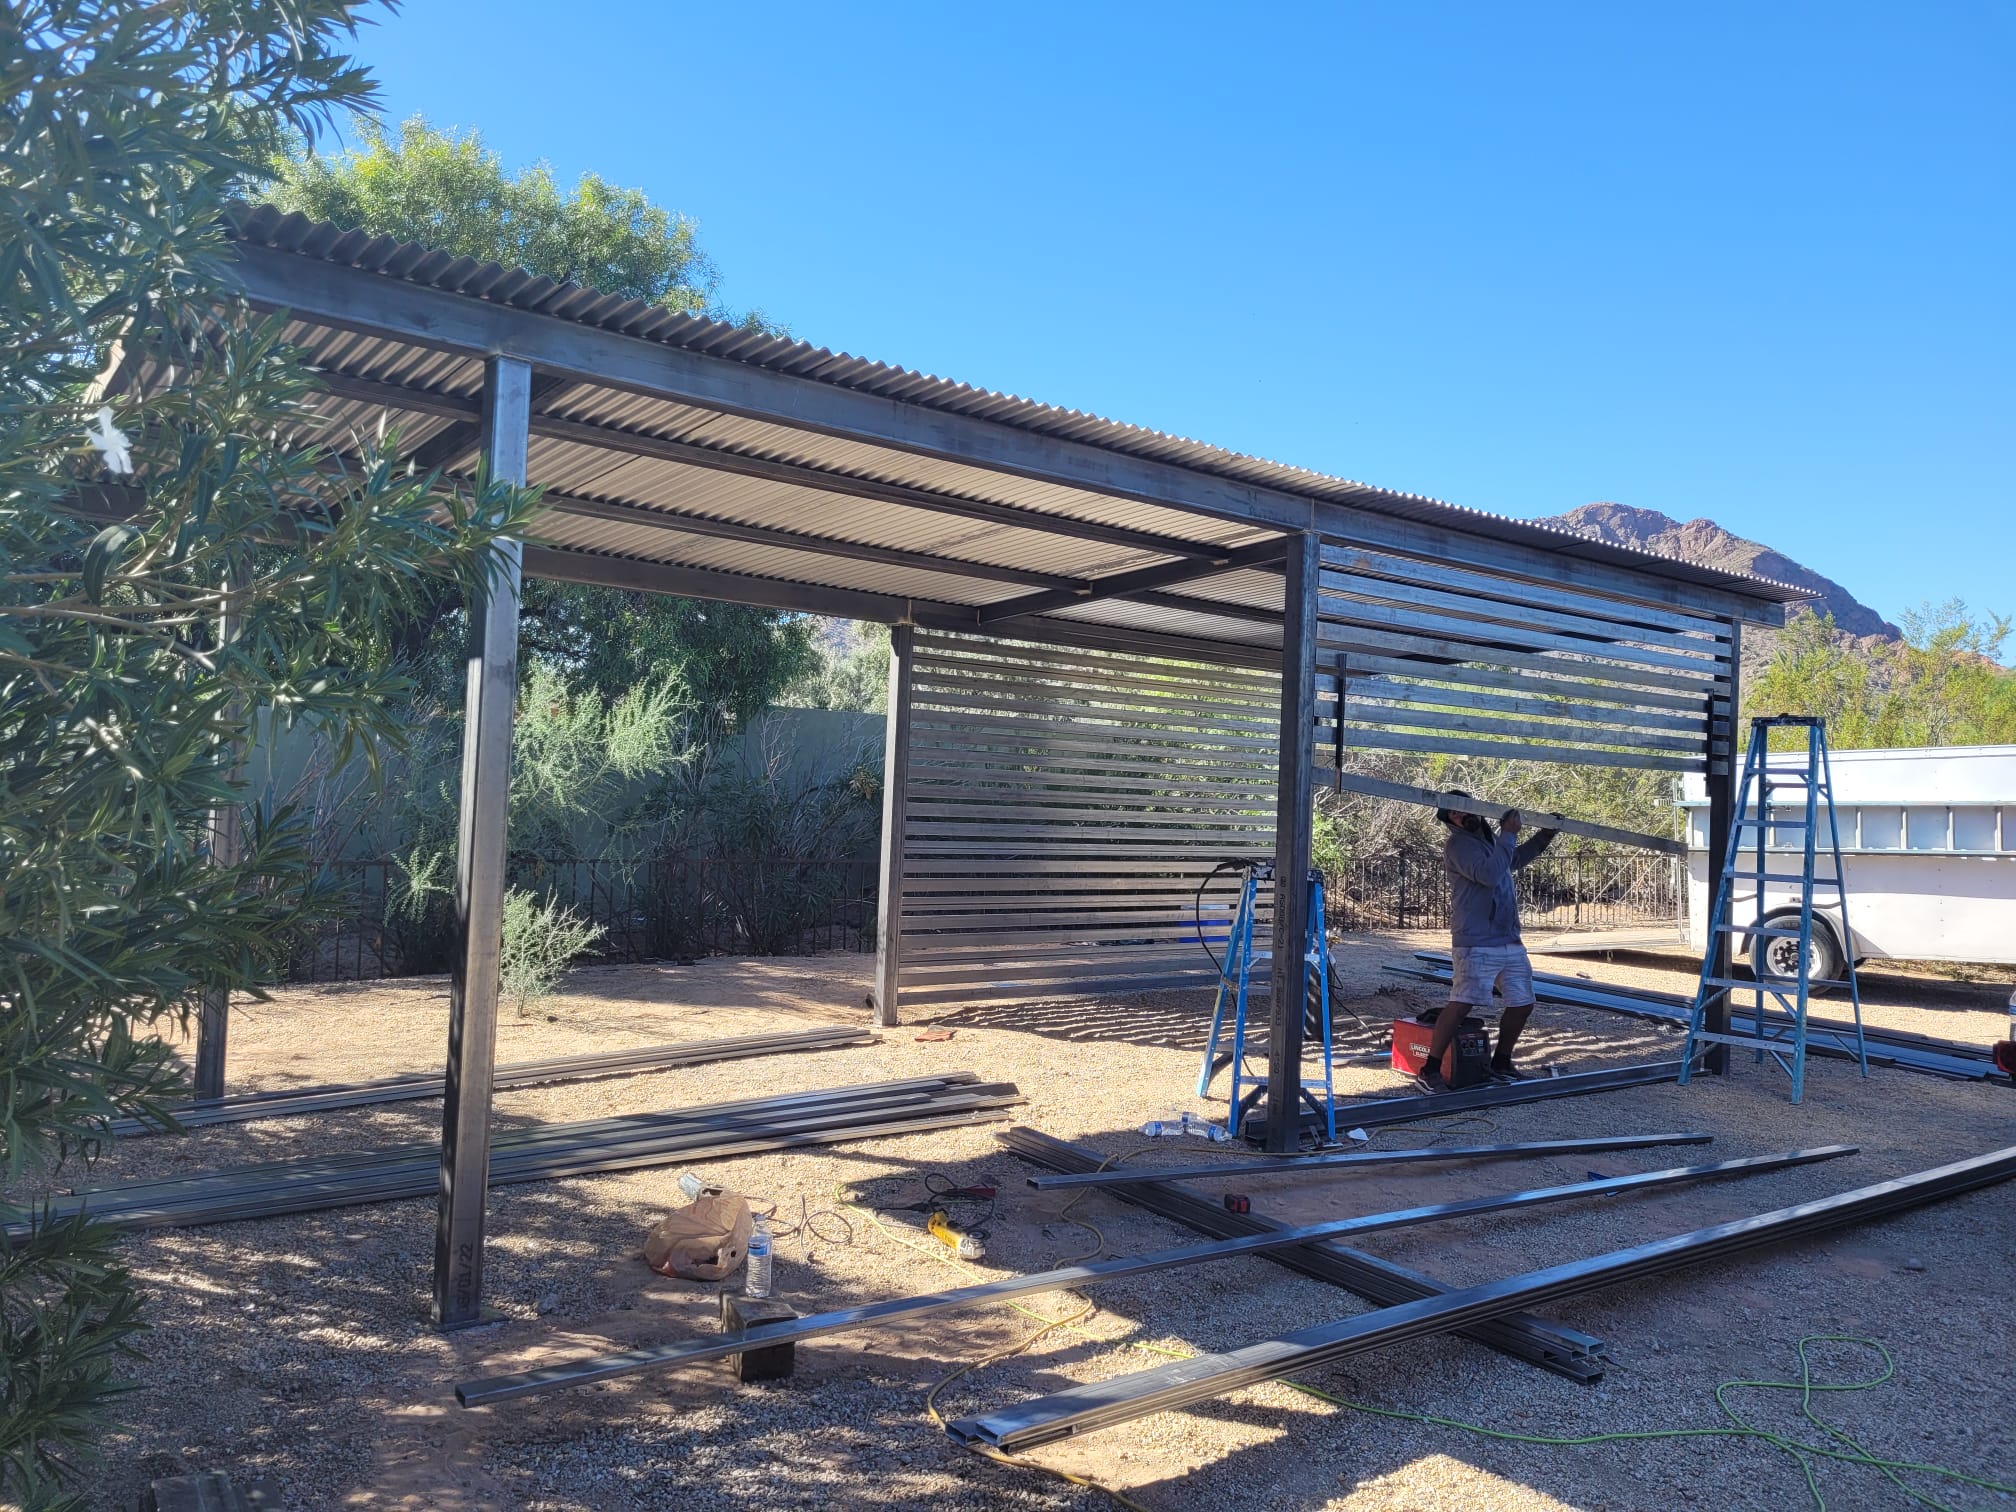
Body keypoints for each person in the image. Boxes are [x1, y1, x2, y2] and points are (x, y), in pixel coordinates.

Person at [1418, 793, 1558, 1091]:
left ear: (1477, 810)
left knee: (1522, 1002)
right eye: (1453, 814)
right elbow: (1490, 875)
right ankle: (1429, 1069)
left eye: (1463, 810)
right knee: (1462, 1003)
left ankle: (1501, 1062)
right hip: (1476, 940)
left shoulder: (1491, 841)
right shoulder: (1459, 845)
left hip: (1507, 938)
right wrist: (1509, 834)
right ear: (1450, 822)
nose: (1461, 816)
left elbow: (1513, 860)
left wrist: (1543, 837)